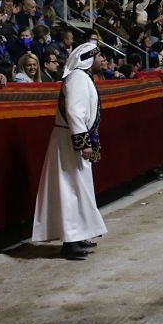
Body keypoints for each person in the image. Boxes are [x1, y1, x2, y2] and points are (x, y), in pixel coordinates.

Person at [32, 42, 107, 259]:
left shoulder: (82, 78)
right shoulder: (77, 79)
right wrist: (83, 142)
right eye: (99, 56)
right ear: (89, 59)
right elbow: (74, 112)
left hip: (70, 138)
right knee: (70, 189)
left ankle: (79, 234)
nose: (103, 60)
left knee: (78, 189)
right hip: (70, 140)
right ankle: (70, 240)